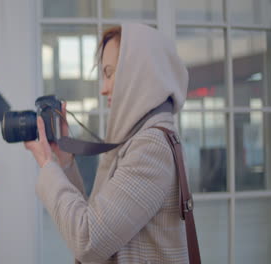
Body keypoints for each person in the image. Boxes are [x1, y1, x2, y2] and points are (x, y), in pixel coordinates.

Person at [25, 23, 189, 264]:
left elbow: (88, 240)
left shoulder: (150, 147)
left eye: (110, 73)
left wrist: (46, 164)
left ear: (138, 72)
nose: (103, 88)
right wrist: (64, 161)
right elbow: (94, 218)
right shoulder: (137, 140)